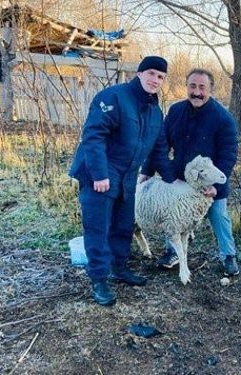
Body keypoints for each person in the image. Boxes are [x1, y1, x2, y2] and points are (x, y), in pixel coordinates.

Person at [69, 56, 175, 306]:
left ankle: (119, 268)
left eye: (160, 77)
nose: (155, 80)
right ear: (139, 73)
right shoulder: (113, 98)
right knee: (98, 227)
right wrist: (99, 174)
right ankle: (99, 278)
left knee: (123, 226)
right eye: (151, 73)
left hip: (127, 176)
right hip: (100, 173)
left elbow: (159, 152)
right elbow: (93, 137)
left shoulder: (154, 113)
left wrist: (174, 181)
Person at [142, 68, 240, 276]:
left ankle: (228, 255)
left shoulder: (223, 119)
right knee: (171, 213)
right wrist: (147, 170)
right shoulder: (176, 111)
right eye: (192, 86)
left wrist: (217, 186)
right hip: (179, 177)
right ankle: (172, 252)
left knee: (219, 215)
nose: (196, 92)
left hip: (209, 182)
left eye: (202, 87)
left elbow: (228, 155)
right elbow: (160, 143)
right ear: (186, 87)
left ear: (210, 89)